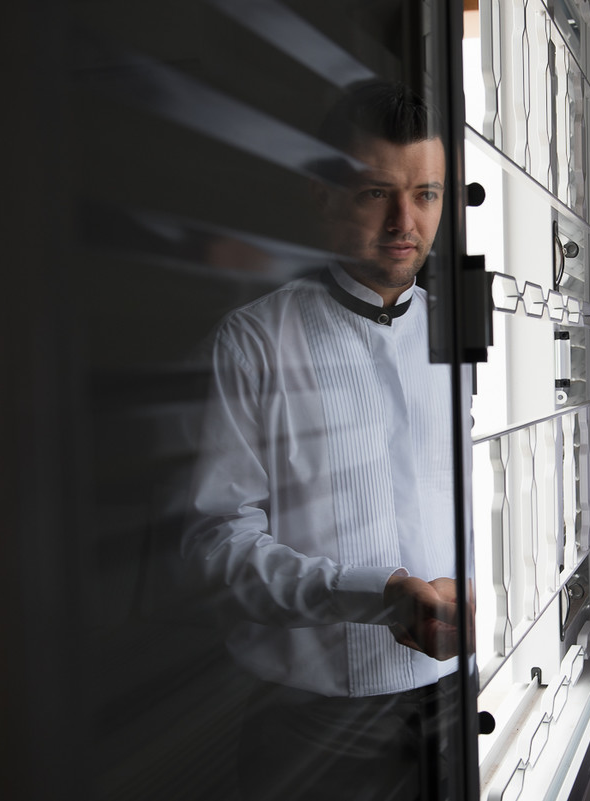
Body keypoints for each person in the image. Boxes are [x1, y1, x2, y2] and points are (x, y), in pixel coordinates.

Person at [182, 80, 460, 801]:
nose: (406, 220)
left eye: (426, 193)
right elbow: (215, 544)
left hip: (459, 700)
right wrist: (376, 594)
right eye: (376, 192)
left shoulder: (465, 341)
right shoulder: (253, 342)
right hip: (310, 723)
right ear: (323, 194)